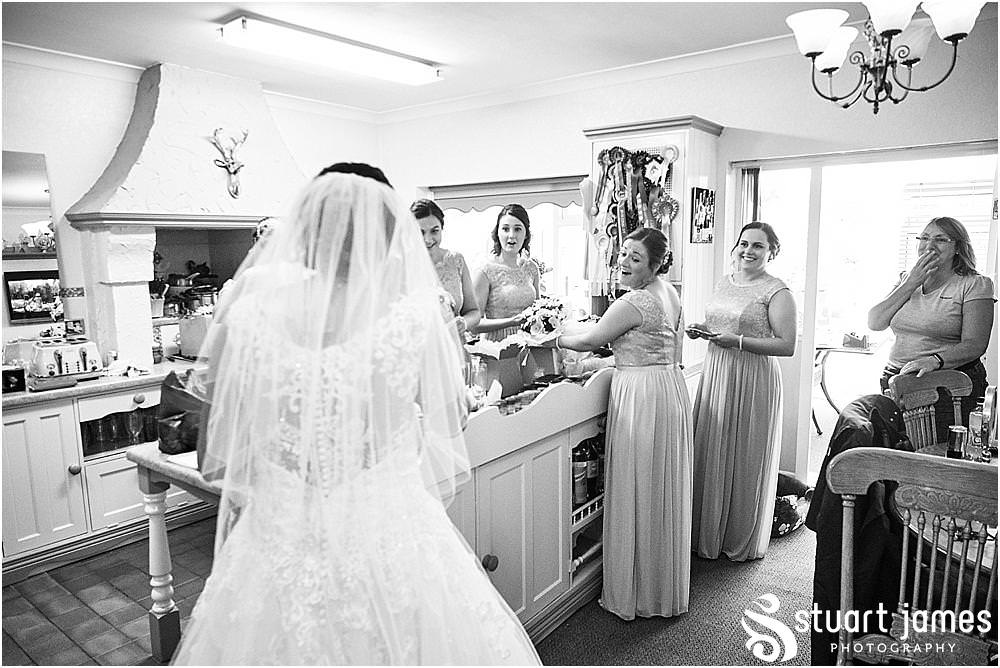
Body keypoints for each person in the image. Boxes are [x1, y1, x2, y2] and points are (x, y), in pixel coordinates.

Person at [173, 164, 540, 665]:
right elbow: (450, 420)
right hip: (387, 533)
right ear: (389, 235)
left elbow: (214, 458)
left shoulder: (251, 307)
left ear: (306, 226)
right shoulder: (414, 314)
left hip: (277, 542)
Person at [556, 227, 692, 620]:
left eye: (635, 258)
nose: (624, 262)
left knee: (638, 483)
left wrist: (552, 336)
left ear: (654, 265)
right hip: (666, 385)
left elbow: (589, 340)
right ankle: (660, 581)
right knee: (658, 485)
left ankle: (638, 588)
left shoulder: (634, 300)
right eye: (623, 254)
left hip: (642, 396)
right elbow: (641, 349)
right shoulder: (668, 292)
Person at [689, 222, 797, 562]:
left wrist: (736, 342)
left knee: (746, 453)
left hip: (753, 376)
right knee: (712, 446)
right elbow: (722, 323)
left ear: (771, 253)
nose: (748, 251)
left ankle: (738, 534)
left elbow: (787, 345)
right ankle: (708, 530)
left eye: (758, 246)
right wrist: (703, 330)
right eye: (743, 244)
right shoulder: (725, 281)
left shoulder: (777, 292)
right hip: (718, 369)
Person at [868, 216, 995, 437]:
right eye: (924, 238)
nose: (929, 245)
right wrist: (910, 283)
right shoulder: (908, 279)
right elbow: (875, 322)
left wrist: (933, 361)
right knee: (895, 452)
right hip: (896, 379)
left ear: (958, 247)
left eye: (940, 239)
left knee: (933, 459)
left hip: (947, 387)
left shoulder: (974, 284)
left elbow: (975, 344)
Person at [411, 198, 481, 337]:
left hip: (455, 346)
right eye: (421, 232)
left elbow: (474, 311)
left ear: (442, 229)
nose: (428, 239)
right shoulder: (403, 265)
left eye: (434, 231)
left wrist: (464, 323)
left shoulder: (456, 260)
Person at [471, 204, 540, 341]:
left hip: (530, 346)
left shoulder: (532, 268)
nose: (511, 235)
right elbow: (474, 324)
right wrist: (511, 322)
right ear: (497, 232)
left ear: (526, 234)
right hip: (497, 348)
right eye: (505, 229)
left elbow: (538, 311)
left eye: (518, 229)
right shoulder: (485, 270)